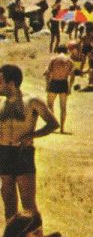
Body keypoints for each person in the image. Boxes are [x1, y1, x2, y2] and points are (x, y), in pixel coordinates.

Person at [0, 66, 57, 226]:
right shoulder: (1, 104)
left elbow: (53, 123)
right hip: (3, 153)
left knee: (28, 204)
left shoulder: (32, 101)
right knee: (9, 201)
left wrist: (31, 136)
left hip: (22, 153)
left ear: (11, 83)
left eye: (0, 81)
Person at [42, 50, 73, 134]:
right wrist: (70, 87)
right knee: (63, 107)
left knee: (50, 105)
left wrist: (47, 85)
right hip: (64, 83)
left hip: (54, 82)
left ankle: (52, 126)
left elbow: (48, 73)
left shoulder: (54, 59)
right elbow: (72, 75)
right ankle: (62, 128)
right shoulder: (69, 60)